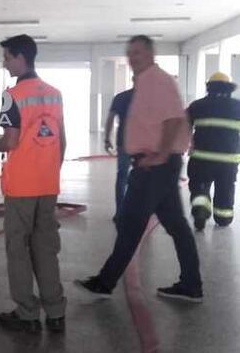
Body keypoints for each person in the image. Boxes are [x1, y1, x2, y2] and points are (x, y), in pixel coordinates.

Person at [76, 35, 202, 302]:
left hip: (154, 166)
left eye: (139, 53)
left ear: (151, 53)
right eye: (130, 54)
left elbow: (172, 121)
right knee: (176, 226)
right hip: (156, 165)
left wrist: (161, 156)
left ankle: (105, 282)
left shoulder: (159, 81)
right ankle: (191, 285)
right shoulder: (145, 83)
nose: (133, 58)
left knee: (130, 223)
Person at [0, 34, 67, 334]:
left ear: (20, 57)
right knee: (46, 247)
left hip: (21, 187)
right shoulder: (55, 93)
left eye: (6, 58)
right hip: (48, 183)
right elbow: (61, 140)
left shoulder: (12, 95)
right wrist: (51, 170)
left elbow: (10, 141)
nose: (4, 64)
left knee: (18, 249)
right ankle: (56, 312)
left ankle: (27, 314)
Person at [187, 72, 240, 230]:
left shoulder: (197, 105)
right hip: (228, 160)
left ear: (209, 87)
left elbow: (184, 127)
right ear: (229, 88)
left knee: (199, 186)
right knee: (225, 188)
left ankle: (200, 210)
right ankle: (223, 218)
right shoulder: (238, 106)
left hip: (201, 158)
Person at [104, 88, 134, 221]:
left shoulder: (121, 97)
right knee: (144, 176)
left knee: (122, 175)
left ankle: (120, 212)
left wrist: (107, 139)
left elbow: (110, 118)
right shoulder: (149, 96)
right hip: (143, 144)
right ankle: (142, 211)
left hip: (124, 142)